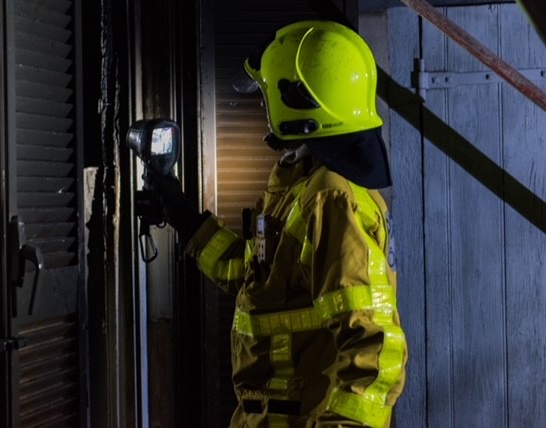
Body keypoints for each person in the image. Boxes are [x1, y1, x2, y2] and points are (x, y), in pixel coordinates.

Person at [151, 20, 407, 428]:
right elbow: (257, 278)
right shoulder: (301, 190)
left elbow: (375, 347)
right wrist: (183, 216)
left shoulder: (330, 200)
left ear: (299, 103)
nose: (262, 107)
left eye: (267, 95)